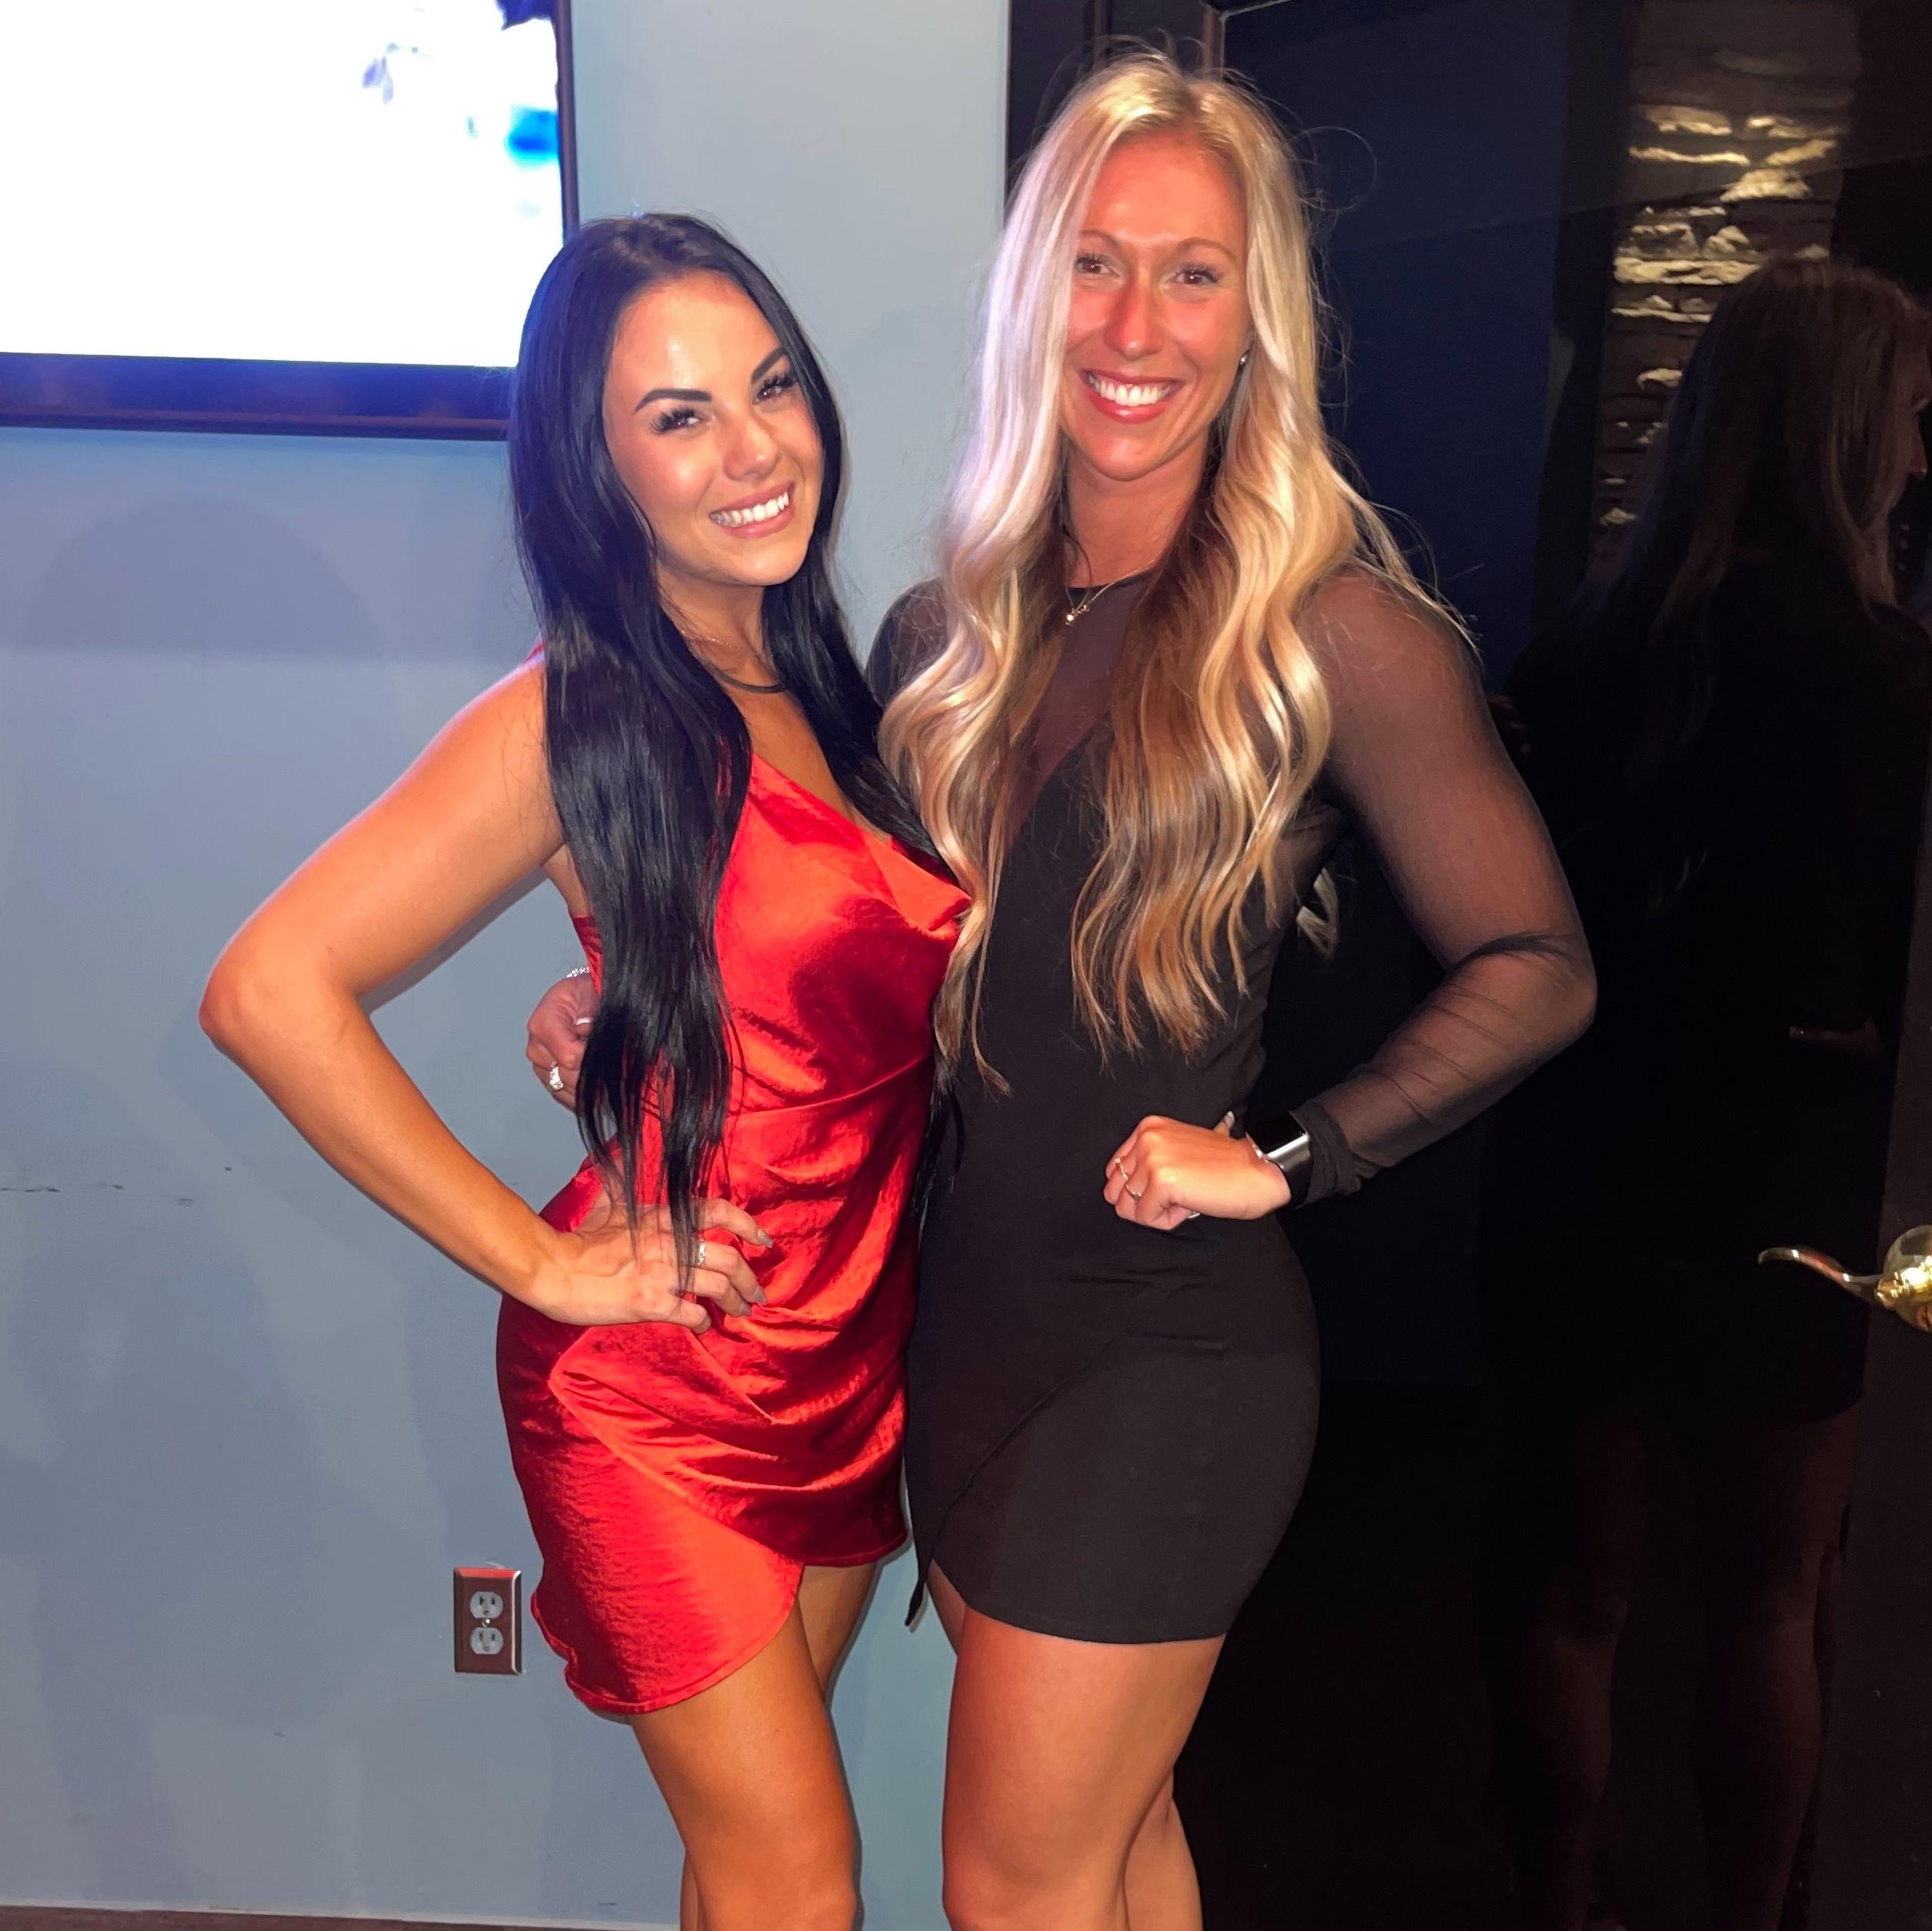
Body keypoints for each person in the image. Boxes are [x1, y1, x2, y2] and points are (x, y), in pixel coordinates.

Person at [535, 55, 1591, 1929]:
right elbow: (826, 935)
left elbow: (1536, 965)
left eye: (1192, 274)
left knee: (1014, 1886)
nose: (1134, 326)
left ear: (1254, 317)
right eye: (1094, 264)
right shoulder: (939, 638)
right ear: (1034, 292)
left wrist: (1292, 1150)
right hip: (958, 1334)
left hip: (1165, 1355)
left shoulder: (1326, 630)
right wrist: (610, 998)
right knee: (1117, 1839)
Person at [203, 214, 964, 1931]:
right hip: (655, 1392)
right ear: (596, 469)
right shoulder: (574, 713)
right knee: (800, 1885)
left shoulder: (826, 684)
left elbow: (816, 974)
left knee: (748, 1871)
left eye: (770, 385)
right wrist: (543, 1264)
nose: (754, 447)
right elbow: (269, 989)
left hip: (845, 1359)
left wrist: (615, 995)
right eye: (679, 416)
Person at [1477, 255, 1932, 1931]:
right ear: (1846, 428)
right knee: (1770, 1598)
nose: (1918, 453)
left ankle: (1556, 1908)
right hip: (1793, 1185)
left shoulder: (1577, 658)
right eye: (1907, 416)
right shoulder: (1894, 680)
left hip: (1579, 1160)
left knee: (1564, 1592)